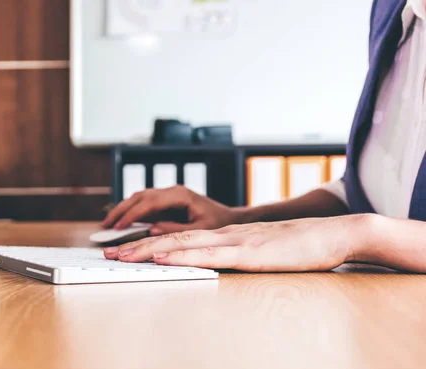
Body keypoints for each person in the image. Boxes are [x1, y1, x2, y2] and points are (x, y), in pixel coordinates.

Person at [103, 0, 426, 273]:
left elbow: (364, 225)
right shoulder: (391, 9)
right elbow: (366, 196)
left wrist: (357, 235)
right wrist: (238, 219)